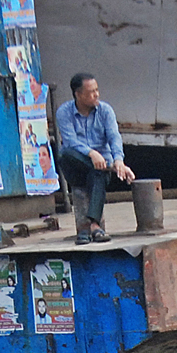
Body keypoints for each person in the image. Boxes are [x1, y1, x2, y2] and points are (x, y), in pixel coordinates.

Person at [54, 73, 133, 244]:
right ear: (78, 94)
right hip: (76, 166)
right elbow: (71, 142)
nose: (96, 95)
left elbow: (114, 137)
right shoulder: (64, 112)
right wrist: (91, 153)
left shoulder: (105, 110)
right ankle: (94, 227)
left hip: (101, 168)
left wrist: (119, 160)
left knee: (97, 172)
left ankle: (91, 227)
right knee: (64, 153)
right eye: (91, 92)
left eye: (97, 90)